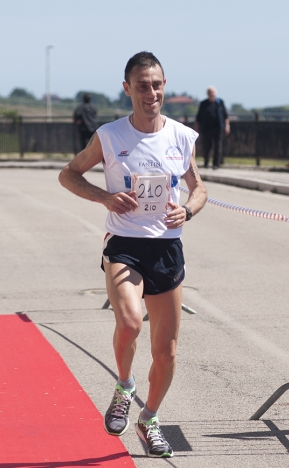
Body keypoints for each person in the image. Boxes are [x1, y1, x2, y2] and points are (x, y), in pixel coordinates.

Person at [58, 51, 208, 458]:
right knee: (129, 323)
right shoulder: (110, 136)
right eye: (142, 85)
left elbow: (200, 188)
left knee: (167, 351)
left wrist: (188, 209)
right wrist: (106, 197)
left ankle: (150, 419)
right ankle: (125, 386)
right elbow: (68, 174)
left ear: (164, 86)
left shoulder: (181, 136)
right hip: (124, 244)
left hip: (167, 248)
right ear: (128, 89)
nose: (151, 92)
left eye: (157, 84)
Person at [195, 86, 230, 169]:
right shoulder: (203, 104)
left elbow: (225, 116)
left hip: (218, 128)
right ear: (207, 94)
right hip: (206, 129)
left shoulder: (220, 102)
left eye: (213, 92)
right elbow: (198, 118)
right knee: (207, 146)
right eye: (210, 92)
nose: (212, 94)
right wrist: (197, 129)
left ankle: (216, 164)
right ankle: (206, 162)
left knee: (218, 147)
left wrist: (227, 126)